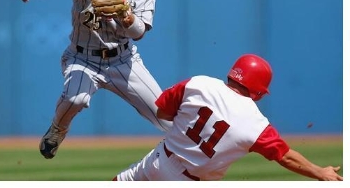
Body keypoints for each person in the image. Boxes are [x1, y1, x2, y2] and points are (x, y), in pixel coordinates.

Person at [16, 0, 172, 159]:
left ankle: (186, 160)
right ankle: (58, 130)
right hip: (83, 57)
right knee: (75, 98)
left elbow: (139, 32)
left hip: (123, 61)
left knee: (165, 116)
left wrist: (125, 14)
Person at [113, 54, 343, 181]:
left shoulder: (199, 83)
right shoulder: (256, 124)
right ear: (260, 91)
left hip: (158, 160)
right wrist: (319, 172)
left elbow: (162, 112)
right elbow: (285, 157)